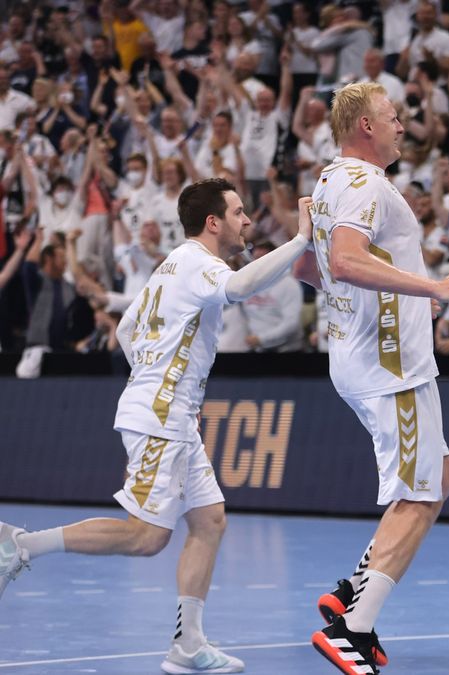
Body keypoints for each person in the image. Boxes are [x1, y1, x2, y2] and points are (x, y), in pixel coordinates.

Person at [0, 178, 316, 674]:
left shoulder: (172, 264)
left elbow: (127, 329)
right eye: (238, 213)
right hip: (161, 417)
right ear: (213, 223)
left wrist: (155, 374)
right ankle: (21, 545)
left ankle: (188, 645)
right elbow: (238, 287)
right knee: (145, 537)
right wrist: (301, 240)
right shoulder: (199, 264)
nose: (247, 221)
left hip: (173, 415)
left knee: (209, 520)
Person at [302, 82, 449, 675]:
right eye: (394, 117)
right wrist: (434, 288)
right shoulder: (362, 184)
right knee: (421, 491)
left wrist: (402, 298)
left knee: (440, 475)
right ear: (366, 128)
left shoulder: (330, 181)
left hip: (363, 356)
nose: (404, 126)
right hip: (389, 366)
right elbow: (349, 261)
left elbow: (315, 267)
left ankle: (352, 590)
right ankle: (353, 629)